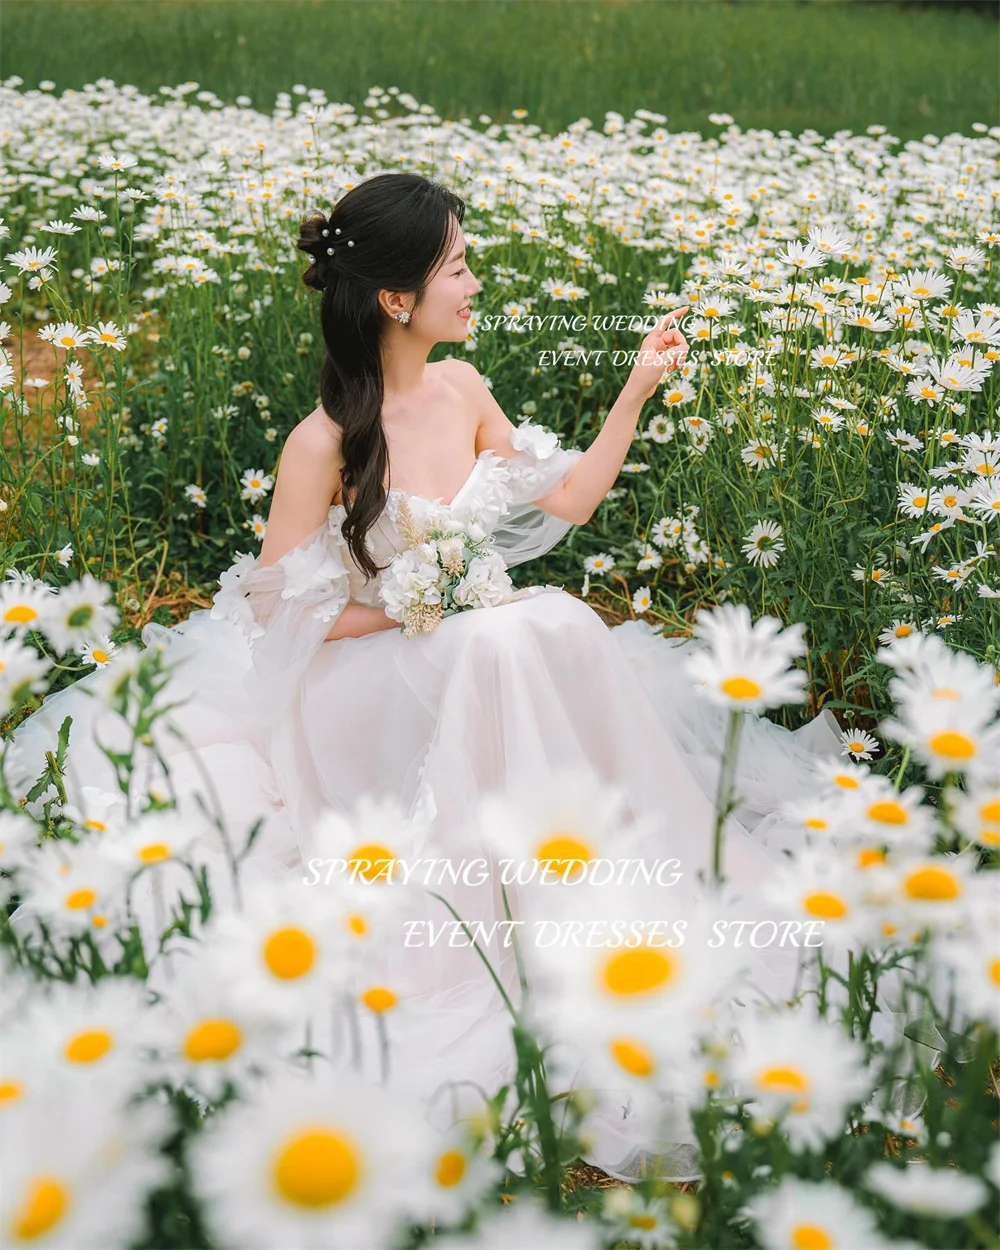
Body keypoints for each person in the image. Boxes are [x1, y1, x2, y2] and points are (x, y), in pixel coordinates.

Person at [5, 172, 844, 1182]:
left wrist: (636, 386)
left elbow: (568, 498)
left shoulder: (464, 389)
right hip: (357, 683)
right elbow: (275, 612)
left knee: (563, 621)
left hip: (453, 653)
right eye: (460, 265)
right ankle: (490, 914)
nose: (477, 283)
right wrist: (404, 606)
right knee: (492, 640)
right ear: (397, 298)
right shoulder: (322, 442)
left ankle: (607, 874)